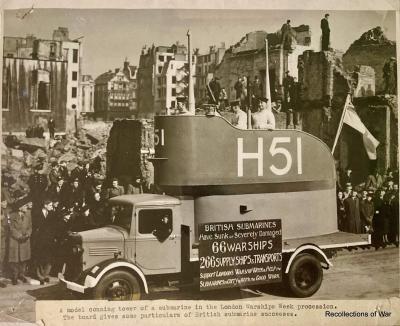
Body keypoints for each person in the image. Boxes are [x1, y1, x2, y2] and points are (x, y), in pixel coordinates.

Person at [8, 201, 32, 285]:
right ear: (20, 207)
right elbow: (11, 228)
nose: (27, 207)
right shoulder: (12, 216)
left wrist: (28, 234)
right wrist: (19, 236)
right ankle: (14, 277)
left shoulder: (27, 216)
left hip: (25, 241)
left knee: (24, 259)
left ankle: (21, 275)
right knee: (15, 260)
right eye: (25, 206)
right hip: (15, 241)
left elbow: (30, 227)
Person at [33, 200, 54, 284]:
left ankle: (45, 275)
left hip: (49, 240)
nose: (51, 207)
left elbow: (54, 225)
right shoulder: (37, 214)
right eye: (50, 205)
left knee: (48, 258)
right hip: (40, 240)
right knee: (40, 259)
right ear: (45, 205)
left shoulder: (52, 214)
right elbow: (35, 226)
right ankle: (40, 276)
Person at [0, 200, 11, 287]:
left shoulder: (7, 211)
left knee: (2, 258)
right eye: (2, 201)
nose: (5, 203)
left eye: (5, 201)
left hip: (4, 238)